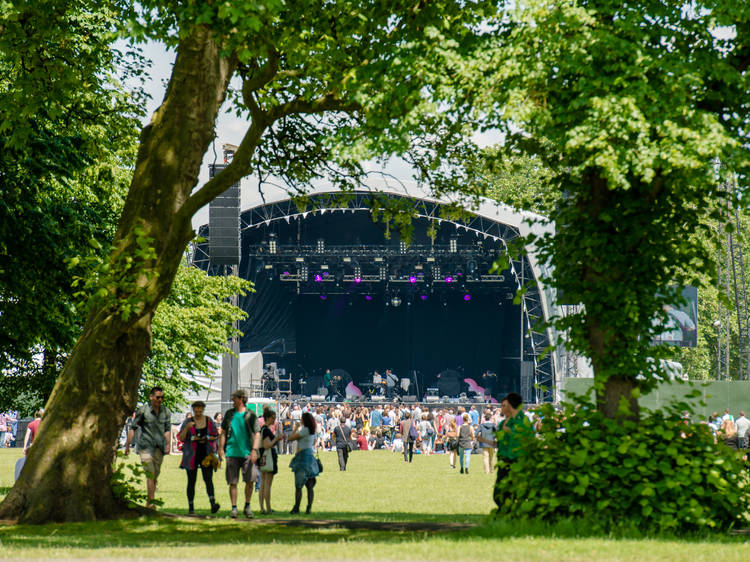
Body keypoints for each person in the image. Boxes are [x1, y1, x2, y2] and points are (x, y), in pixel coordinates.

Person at [125, 387, 171, 509]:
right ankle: (152, 504)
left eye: (162, 397)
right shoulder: (143, 411)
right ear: (151, 397)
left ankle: (149, 503)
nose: (160, 400)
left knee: (155, 475)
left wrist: (168, 444)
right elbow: (133, 428)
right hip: (145, 446)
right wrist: (127, 445)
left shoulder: (166, 412)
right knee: (150, 474)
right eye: (157, 397)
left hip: (159, 447)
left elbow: (167, 430)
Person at [219, 389, 261, 519]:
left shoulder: (251, 415)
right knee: (233, 481)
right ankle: (234, 508)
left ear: (242, 398)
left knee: (250, 480)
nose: (233, 400)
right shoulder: (229, 414)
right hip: (232, 452)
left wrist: (254, 450)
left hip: (248, 453)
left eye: (235, 398)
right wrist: (221, 449)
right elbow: (224, 432)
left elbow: (257, 433)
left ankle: (247, 506)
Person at [178, 401, 220, 515]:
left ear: (203, 409)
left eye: (200, 410)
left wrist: (206, 438)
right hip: (191, 455)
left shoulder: (209, 421)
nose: (198, 412)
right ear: (193, 410)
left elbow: (215, 435)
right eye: (196, 410)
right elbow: (181, 438)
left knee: (208, 479)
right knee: (191, 481)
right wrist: (187, 428)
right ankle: (191, 508)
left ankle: (213, 503)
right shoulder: (188, 422)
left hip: (206, 454)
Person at [493, 392, 534, 509]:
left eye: (504, 405)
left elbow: (528, 439)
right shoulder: (503, 423)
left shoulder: (523, 421)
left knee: (512, 491)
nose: (502, 408)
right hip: (504, 459)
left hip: (517, 459)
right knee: (499, 493)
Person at [287, 411, 320, 514]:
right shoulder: (311, 431)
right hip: (310, 457)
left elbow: (290, 438)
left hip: (302, 457)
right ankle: (308, 508)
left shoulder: (304, 430)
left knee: (298, 486)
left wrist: (296, 428)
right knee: (310, 486)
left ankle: (296, 507)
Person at [259, 408, 282, 514]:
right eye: (273, 418)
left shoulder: (263, 429)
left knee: (263, 484)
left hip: (262, 459)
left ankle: (262, 508)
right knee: (267, 484)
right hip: (268, 458)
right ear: (268, 418)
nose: (274, 420)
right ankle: (268, 508)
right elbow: (267, 445)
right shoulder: (266, 430)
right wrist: (276, 439)